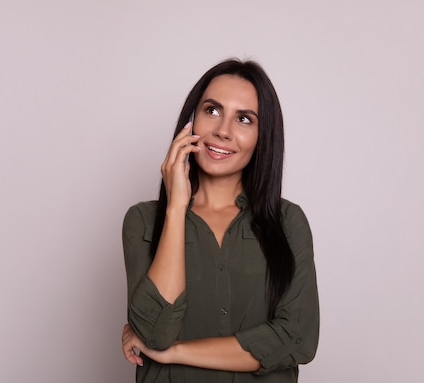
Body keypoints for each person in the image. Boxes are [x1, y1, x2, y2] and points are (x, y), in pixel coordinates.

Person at [120, 59, 319, 382]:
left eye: (244, 119)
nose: (223, 131)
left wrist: (175, 352)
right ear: (191, 121)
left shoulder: (288, 222)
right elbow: (154, 332)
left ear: (262, 136)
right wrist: (176, 208)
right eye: (212, 110)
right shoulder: (143, 221)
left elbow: (297, 338)